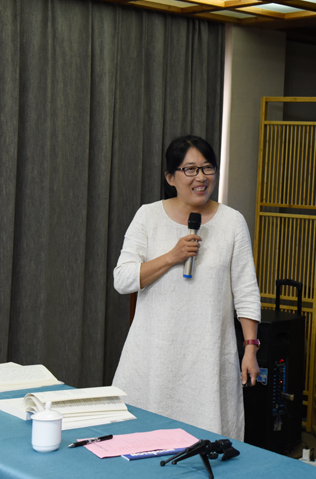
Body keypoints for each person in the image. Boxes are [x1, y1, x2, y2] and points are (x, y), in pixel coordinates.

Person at [112, 135, 261, 440]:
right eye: (190, 169)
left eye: (207, 168)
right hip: (153, 355)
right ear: (171, 177)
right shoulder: (148, 216)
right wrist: (172, 256)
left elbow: (246, 291)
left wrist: (250, 348)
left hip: (209, 356)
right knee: (143, 440)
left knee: (208, 443)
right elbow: (123, 279)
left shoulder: (232, 222)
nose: (201, 177)